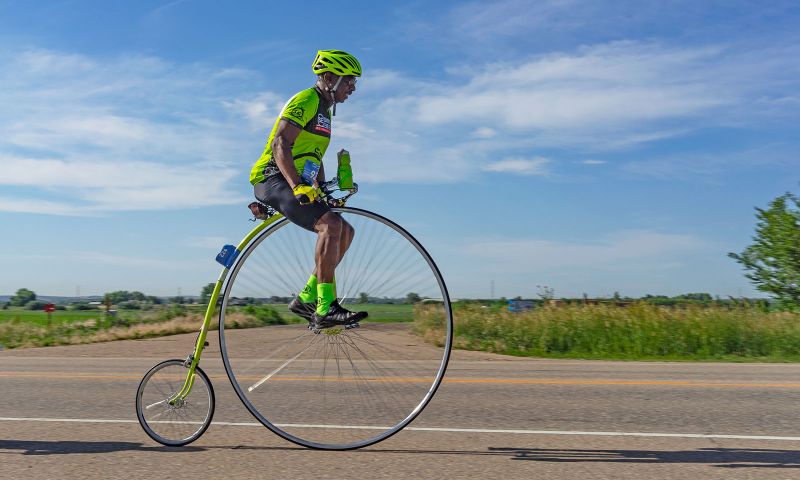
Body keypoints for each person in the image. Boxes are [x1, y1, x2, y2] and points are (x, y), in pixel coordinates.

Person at [249, 50, 367, 329]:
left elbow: (312, 156)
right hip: (272, 178)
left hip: (291, 179)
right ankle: (325, 307)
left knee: (345, 231)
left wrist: (322, 190)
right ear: (329, 77)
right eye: (349, 80)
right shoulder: (307, 100)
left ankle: (306, 297)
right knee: (331, 227)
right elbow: (280, 144)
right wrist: (298, 186)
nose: (353, 87)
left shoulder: (325, 113)